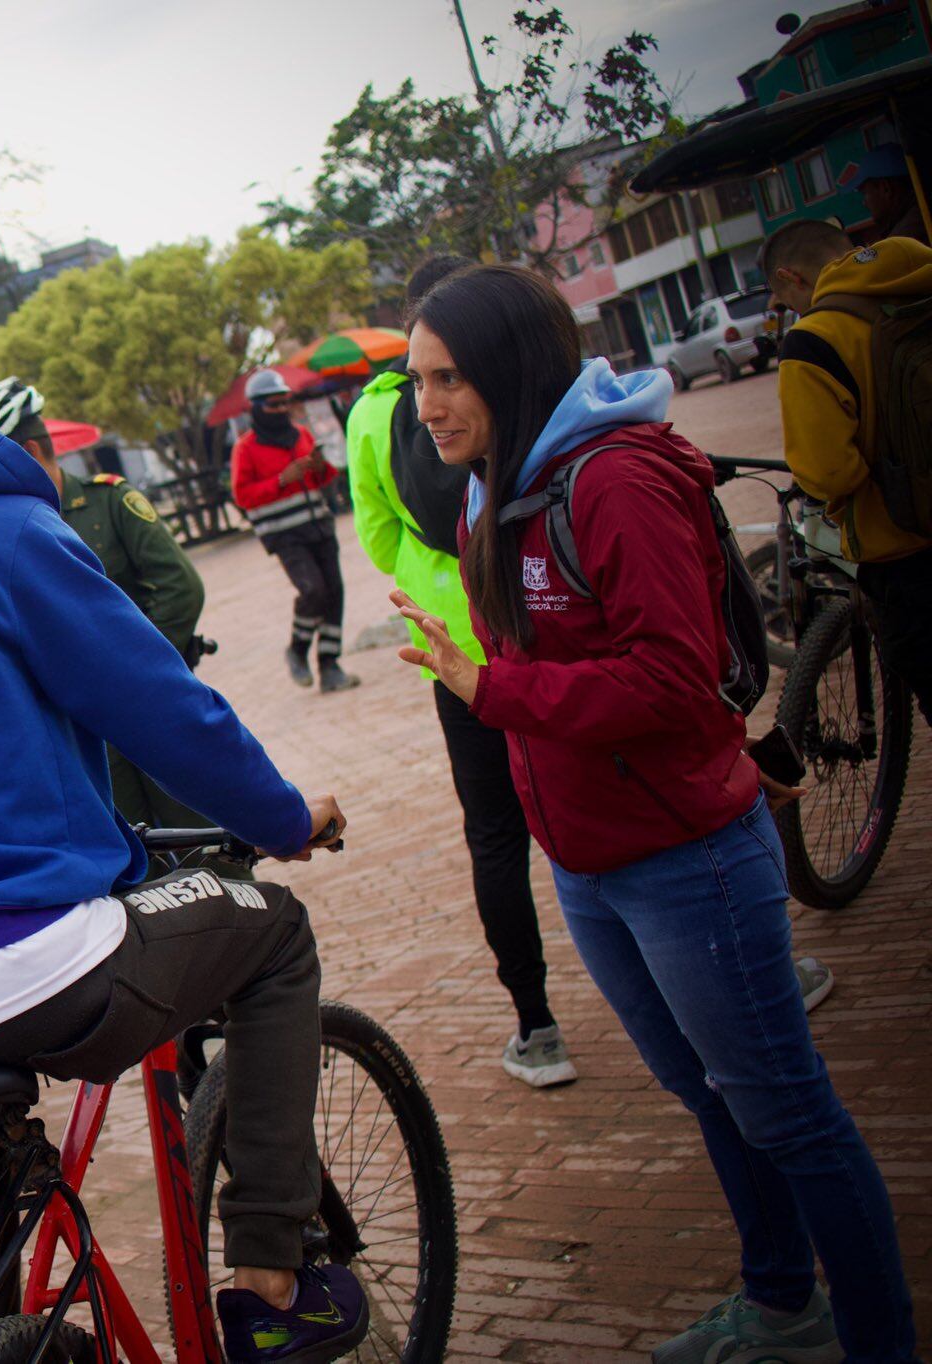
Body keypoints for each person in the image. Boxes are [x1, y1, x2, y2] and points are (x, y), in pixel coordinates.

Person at [0, 342, 362, 1364]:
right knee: (273, 934)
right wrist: (278, 817)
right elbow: (159, 706)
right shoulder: (5, 526)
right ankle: (272, 1271)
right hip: (34, 963)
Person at [393, 264, 917, 1364]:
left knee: (790, 1112)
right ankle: (782, 1304)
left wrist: (491, 689)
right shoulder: (498, 482)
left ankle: (875, 1337)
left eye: (446, 377)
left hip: (687, 862)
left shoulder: (611, 480)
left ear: (509, 367)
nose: (424, 405)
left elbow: (674, 680)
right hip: (588, 860)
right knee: (704, 1090)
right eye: (413, 379)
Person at [346, 253, 573, 1088]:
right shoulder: (526, 382)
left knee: (494, 836)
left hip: (451, 647)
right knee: (597, 795)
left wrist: (429, 568)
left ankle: (537, 1025)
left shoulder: (374, 413)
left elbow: (373, 531)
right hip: (542, 622)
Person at [0, 375, 213, 830]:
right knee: (132, 861)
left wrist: (134, 671)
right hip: (84, 736)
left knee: (202, 837)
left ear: (29, 452)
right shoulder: (10, 531)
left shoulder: (108, 501)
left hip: (155, 705)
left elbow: (180, 588)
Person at [762, 220, 932, 725]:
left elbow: (830, 472)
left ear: (791, 277)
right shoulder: (919, 274)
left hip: (908, 549)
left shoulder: (816, 339)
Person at [230, 370, 358, 692]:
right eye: (273, 405)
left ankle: (330, 666)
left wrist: (320, 467)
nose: (281, 409)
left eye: (285, 402)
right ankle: (297, 650)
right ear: (256, 408)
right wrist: (282, 479)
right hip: (285, 535)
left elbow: (325, 478)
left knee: (334, 595)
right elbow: (242, 495)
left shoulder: (301, 434)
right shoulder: (246, 449)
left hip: (319, 526)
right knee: (313, 591)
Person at [843, 143, 928, 246]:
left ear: (885, 188)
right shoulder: (922, 214)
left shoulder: (903, 240)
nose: (864, 203)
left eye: (865, 193)